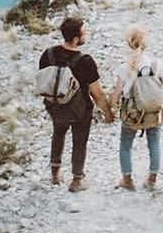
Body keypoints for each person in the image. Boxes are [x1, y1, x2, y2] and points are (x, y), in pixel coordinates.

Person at [38, 16, 114, 192]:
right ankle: (77, 180)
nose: (86, 35)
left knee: (58, 133)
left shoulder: (48, 54)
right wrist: (107, 112)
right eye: (84, 32)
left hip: (54, 105)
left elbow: (44, 80)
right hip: (80, 110)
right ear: (76, 39)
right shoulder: (85, 60)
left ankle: (55, 174)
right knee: (79, 141)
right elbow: (97, 93)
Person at [109, 24, 163, 190]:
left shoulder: (124, 68)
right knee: (154, 143)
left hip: (132, 113)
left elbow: (117, 93)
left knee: (125, 145)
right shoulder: (156, 63)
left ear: (128, 43)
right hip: (153, 112)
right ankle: (152, 180)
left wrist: (110, 107)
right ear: (146, 43)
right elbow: (161, 86)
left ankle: (127, 180)